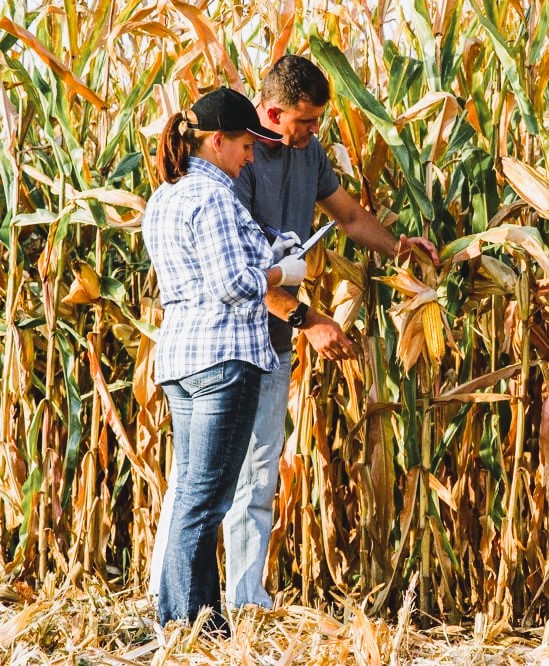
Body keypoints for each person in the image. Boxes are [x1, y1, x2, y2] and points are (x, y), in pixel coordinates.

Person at [149, 56, 438, 609]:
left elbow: (350, 218)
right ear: (272, 112)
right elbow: (237, 277)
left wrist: (401, 249)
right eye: (304, 122)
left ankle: (243, 602)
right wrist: (308, 319)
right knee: (202, 486)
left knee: (253, 477)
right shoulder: (232, 167)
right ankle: (175, 606)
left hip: (264, 347)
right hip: (228, 346)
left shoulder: (307, 154)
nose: (313, 133)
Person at [142, 86, 307, 633]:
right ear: (216, 142)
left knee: (191, 492)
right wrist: (285, 275)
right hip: (222, 359)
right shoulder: (213, 198)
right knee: (205, 503)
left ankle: (193, 622)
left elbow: (219, 264)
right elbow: (234, 284)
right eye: (242, 145)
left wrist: (273, 250)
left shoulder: (167, 194)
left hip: (182, 360)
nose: (250, 155)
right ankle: (187, 623)